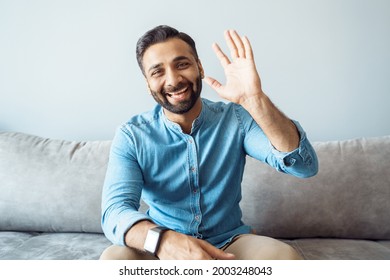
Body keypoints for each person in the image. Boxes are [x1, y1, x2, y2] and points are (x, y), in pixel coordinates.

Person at [100, 25, 318, 260]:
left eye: (181, 64)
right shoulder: (131, 136)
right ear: (148, 83)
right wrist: (163, 241)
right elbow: (115, 211)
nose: (173, 79)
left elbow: (303, 167)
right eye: (157, 72)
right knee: (114, 259)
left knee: (284, 258)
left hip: (229, 243)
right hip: (162, 248)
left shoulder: (236, 118)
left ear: (199, 67)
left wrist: (255, 100)